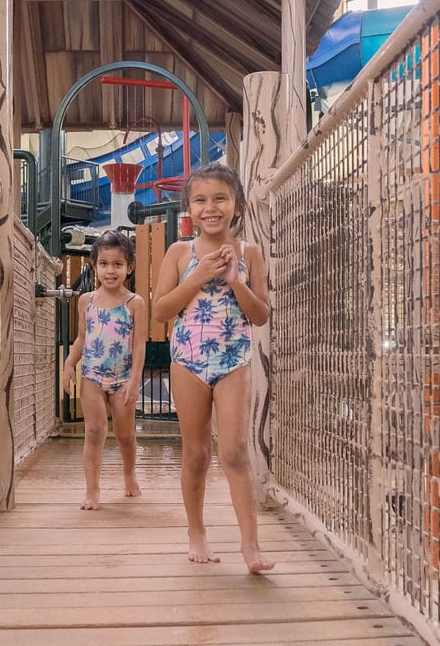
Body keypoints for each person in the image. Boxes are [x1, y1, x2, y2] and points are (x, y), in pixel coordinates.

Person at [151, 164, 275, 573]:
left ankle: (250, 544)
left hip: (233, 360)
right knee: (197, 453)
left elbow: (259, 315)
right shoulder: (179, 253)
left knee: (235, 450)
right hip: (188, 360)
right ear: (189, 208)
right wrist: (199, 276)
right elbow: (160, 310)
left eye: (220, 198)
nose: (211, 208)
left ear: (236, 205)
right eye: (201, 200)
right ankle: (196, 531)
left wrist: (235, 279)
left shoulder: (250, 253)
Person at [61, 230, 146, 510]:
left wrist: (134, 381)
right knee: (95, 431)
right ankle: (92, 490)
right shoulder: (87, 301)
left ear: (129, 267)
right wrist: (69, 363)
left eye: (118, 264)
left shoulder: (135, 304)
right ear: (94, 266)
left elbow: (139, 346)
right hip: (93, 378)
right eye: (104, 264)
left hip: (123, 379)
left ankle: (129, 474)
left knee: (125, 435)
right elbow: (82, 338)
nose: (111, 271)